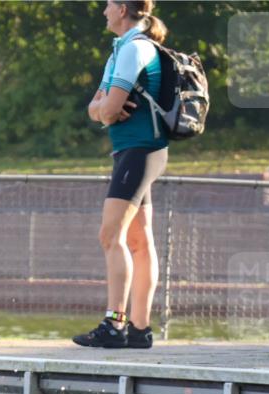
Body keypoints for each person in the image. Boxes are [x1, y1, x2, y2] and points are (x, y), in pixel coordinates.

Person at [75, 0, 169, 349]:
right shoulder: (120, 49)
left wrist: (104, 109)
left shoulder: (134, 49)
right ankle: (140, 330)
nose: (103, 11)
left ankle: (115, 324)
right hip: (132, 152)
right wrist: (103, 109)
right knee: (139, 241)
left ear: (122, 10)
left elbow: (109, 107)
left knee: (109, 235)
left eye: (108, 5)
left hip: (140, 152)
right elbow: (96, 107)